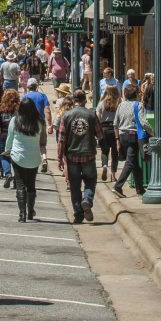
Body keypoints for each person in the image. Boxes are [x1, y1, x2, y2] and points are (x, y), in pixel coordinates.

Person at [58, 89, 101, 223]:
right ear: (84, 100)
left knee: (75, 186)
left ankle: (78, 214)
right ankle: (87, 200)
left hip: (72, 156)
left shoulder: (66, 116)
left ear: (74, 100)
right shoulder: (92, 114)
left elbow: (62, 139)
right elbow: (100, 134)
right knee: (90, 181)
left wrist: (60, 157)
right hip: (88, 154)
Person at [111, 84, 151, 198]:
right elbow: (143, 122)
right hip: (133, 136)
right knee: (130, 162)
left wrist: (117, 139)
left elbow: (115, 123)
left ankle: (140, 189)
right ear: (136, 94)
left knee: (134, 164)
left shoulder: (121, 105)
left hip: (123, 135)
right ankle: (118, 186)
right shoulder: (139, 105)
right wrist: (152, 132)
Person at [22, 78, 53, 173]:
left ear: (28, 86)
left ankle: (29, 163)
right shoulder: (42, 96)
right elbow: (47, 110)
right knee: (42, 144)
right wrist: (49, 124)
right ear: (37, 86)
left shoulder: (25, 97)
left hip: (29, 122)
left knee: (29, 142)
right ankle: (44, 158)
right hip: (41, 121)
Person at [0, 89, 19, 188]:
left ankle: (8, 173)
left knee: (4, 156)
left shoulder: (0, 110)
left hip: (4, 135)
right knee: (16, 158)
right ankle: (17, 179)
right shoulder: (18, 109)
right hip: (17, 136)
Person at [96, 85, 119, 182]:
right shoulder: (118, 103)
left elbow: (97, 116)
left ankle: (105, 165)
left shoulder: (101, 103)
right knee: (115, 153)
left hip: (104, 128)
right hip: (114, 129)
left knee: (104, 151)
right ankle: (113, 175)